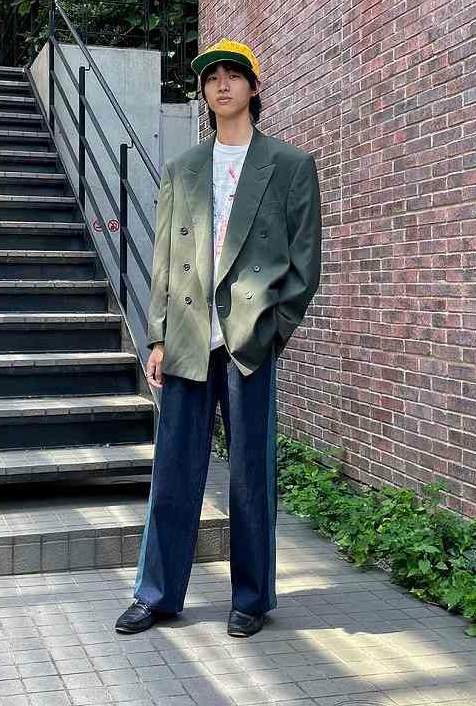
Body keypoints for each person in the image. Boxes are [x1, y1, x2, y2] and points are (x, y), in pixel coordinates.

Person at [115, 38, 322, 638]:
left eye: (233, 75)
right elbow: (164, 260)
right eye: (211, 78)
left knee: (250, 475)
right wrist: (157, 337)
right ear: (204, 92)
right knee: (173, 471)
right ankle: (157, 595)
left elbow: (304, 264)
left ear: (254, 87)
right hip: (186, 337)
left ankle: (251, 598)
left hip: (247, 341)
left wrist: (273, 332)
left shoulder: (290, 165)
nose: (221, 85)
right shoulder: (182, 169)